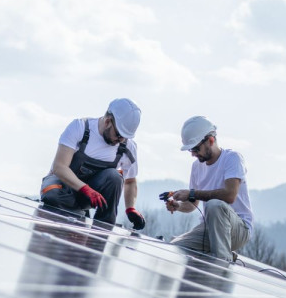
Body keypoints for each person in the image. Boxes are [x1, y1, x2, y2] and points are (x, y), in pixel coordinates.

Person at [40, 98, 146, 229]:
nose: (121, 140)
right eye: (118, 135)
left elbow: (130, 181)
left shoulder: (128, 147)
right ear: (108, 122)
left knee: (114, 177)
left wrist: (130, 208)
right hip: (62, 187)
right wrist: (85, 189)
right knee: (52, 194)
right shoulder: (80, 127)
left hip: (87, 197)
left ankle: (103, 228)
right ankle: (75, 213)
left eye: (125, 137)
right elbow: (59, 167)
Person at [163, 116, 254, 262]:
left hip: (238, 229)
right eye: (191, 150)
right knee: (176, 248)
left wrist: (192, 193)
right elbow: (193, 205)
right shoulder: (196, 167)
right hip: (209, 227)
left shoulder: (232, 159)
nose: (193, 154)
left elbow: (230, 195)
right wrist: (178, 205)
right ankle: (222, 254)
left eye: (195, 149)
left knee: (214, 204)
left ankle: (223, 261)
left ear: (210, 141)